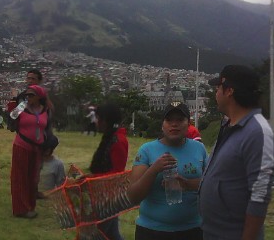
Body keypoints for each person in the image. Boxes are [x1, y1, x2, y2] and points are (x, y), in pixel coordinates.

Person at [202, 65, 274, 240]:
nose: (216, 92)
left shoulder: (258, 132)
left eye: (218, 88)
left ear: (229, 91)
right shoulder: (229, 125)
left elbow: (259, 196)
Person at [127, 103, 209, 240]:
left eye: (180, 120)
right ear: (162, 125)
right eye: (169, 120)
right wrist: (154, 170)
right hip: (152, 231)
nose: (174, 124)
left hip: (192, 229)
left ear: (188, 124)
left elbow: (210, 184)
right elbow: (132, 196)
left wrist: (188, 184)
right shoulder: (147, 150)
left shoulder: (199, 148)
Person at [87, 103, 129, 240]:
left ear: (107, 121)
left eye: (99, 119)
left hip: (108, 197)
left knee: (93, 234)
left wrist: (91, 179)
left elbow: (117, 174)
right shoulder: (110, 137)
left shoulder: (118, 140)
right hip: (103, 193)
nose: (97, 122)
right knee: (111, 234)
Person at [10, 85, 48, 219]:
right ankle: (21, 208)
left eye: (32, 95)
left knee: (33, 179)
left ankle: (30, 206)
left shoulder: (44, 110)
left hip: (37, 148)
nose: (29, 97)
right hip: (22, 145)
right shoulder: (22, 107)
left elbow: (46, 128)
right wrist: (16, 101)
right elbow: (11, 116)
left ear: (39, 97)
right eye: (28, 95)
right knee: (20, 177)